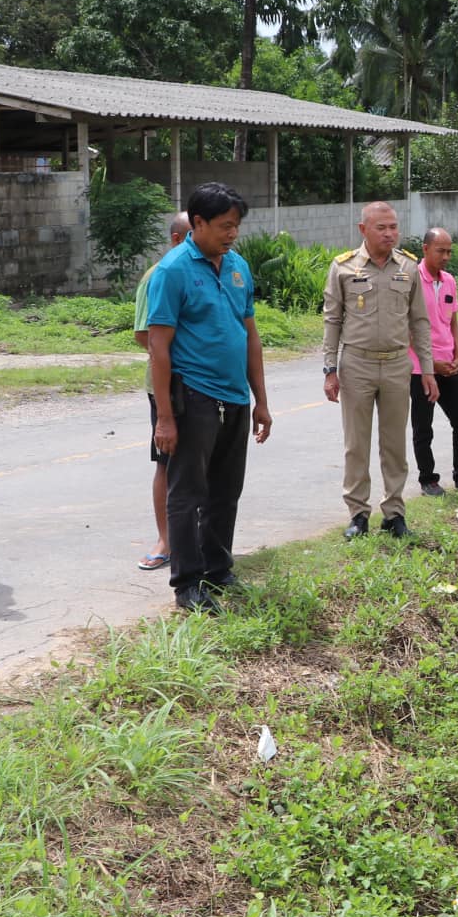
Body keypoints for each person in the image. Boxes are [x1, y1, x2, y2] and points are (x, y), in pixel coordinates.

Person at [144, 183, 273, 612]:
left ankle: (218, 570)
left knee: (226, 490)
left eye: (236, 226)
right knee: (187, 493)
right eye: (224, 226)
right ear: (196, 223)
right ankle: (187, 583)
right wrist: (165, 416)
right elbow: (158, 346)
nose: (232, 234)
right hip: (194, 397)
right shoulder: (172, 271)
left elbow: (249, 335)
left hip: (235, 397)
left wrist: (262, 401)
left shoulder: (238, 266)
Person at [323, 201, 437, 539]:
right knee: (356, 444)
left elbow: (419, 322)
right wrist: (330, 368)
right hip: (356, 363)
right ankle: (358, 514)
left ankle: (394, 513)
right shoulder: (343, 267)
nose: (390, 233)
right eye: (381, 227)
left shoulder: (409, 267)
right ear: (363, 230)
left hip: (397, 364)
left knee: (394, 444)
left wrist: (427, 370)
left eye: (393, 227)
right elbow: (332, 319)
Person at [132, 211, 190, 570]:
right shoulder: (158, 276)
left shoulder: (218, 270)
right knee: (167, 462)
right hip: (168, 386)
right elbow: (144, 334)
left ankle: (200, 540)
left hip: (209, 386)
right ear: (175, 239)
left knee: (202, 465)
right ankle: (166, 540)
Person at [408, 226, 458, 497]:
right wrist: (430, 363)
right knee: (423, 427)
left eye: (449, 251)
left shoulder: (448, 281)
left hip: (449, 366)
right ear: (425, 249)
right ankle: (428, 480)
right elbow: (406, 328)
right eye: (440, 251)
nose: (446, 256)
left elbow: (453, 321)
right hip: (420, 369)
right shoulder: (411, 279)